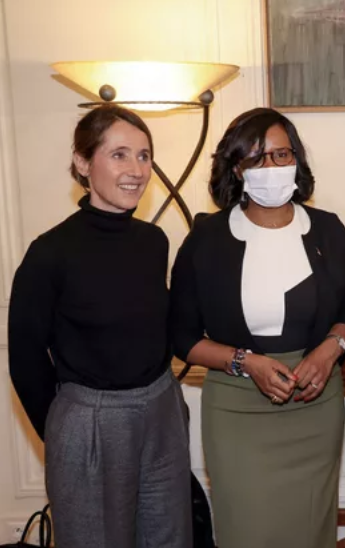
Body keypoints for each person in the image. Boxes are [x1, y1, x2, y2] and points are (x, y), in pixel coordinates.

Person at [169, 107, 345, 548]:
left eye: (281, 155)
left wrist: (329, 350)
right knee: (247, 532)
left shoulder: (328, 231)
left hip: (316, 406)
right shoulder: (206, 238)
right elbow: (182, 338)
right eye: (256, 159)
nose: (271, 168)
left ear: (296, 160)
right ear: (236, 168)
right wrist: (245, 362)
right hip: (237, 409)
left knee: (312, 531)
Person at [8, 105, 191, 548]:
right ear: (83, 162)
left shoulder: (154, 241)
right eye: (120, 155)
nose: (136, 170)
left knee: (171, 538)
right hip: (89, 421)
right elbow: (26, 359)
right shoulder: (50, 252)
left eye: (144, 156)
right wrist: (65, 430)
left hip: (162, 409)